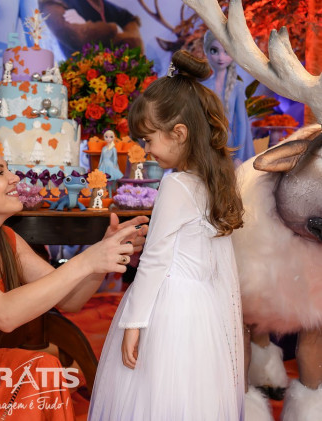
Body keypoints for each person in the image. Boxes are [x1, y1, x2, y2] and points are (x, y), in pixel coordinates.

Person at [0, 140, 148, 419]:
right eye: (0, 172)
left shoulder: (6, 240)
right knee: (39, 374)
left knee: (46, 368)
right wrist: (86, 260)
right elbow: (3, 314)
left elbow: (71, 300)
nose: (14, 178)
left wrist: (105, 255)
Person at [88, 50, 245, 420]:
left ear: (179, 134)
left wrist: (133, 323)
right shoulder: (212, 181)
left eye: (148, 140)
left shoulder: (176, 185)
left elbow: (155, 261)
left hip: (169, 308)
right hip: (202, 310)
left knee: (155, 397)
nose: (145, 150)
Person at [201, 30, 254, 166]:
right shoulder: (202, 86)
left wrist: (238, 157)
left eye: (226, 52)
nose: (221, 57)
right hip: (207, 147)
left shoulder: (237, 86)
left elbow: (241, 123)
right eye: (214, 51)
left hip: (230, 147)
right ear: (206, 51)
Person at [39, 0, 143, 58]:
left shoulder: (103, 4)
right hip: (86, 77)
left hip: (120, 74)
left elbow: (134, 39)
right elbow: (79, 36)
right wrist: (117, 31)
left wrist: (114, 30)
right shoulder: (55, 3)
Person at [98, 129, 124, 197]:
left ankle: (112, 192)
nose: (108, 138)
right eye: (106, 137)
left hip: (110, 165)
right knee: (103, 179)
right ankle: (105, 193)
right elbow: (101, 157)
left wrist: (115, 164)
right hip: (103, 165)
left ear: (113, 138)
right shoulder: (104, 148)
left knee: (111, 178)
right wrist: (99, 163)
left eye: (111, 137)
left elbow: (115, 157)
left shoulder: (113, 149)